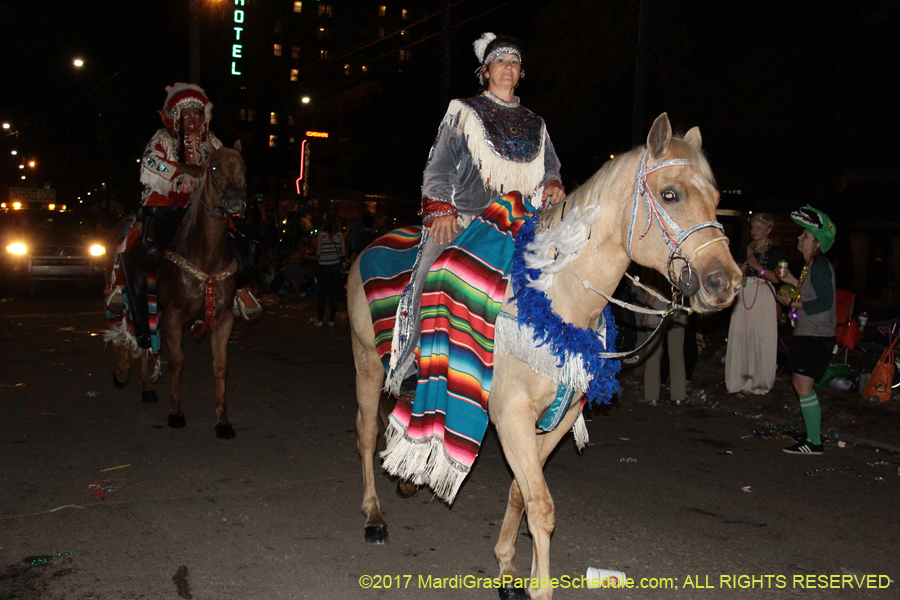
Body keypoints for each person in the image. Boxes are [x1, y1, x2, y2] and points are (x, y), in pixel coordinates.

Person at [375, 33, 566, 500]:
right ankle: (411, 370)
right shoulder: (462, 112)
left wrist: (557, 186)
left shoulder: (536, 125)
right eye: (499, 61)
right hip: (465, 221)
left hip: (521, 225)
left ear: (521, 73)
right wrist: (439, 209)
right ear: (485, 70)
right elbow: (437, 170)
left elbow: (553, 170)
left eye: (514, 62)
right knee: (434, 277)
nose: (507, 68)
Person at [105, 83, 261, 349]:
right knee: (148, 244)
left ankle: (240, 291)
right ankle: (121, 286)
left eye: (197, 113)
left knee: (237, 244)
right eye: (186, 113)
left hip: (203, 205)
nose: (192, 118)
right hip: (168, 202)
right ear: (177, 116)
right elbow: (150, 163)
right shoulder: (162, 138)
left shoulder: (212, 142)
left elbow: (226, 164)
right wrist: (183, 169)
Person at [775, 205, 837, 455]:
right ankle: (812, 435)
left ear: (815, 241)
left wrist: (793, 303)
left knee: (802, 385)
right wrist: (791, 281)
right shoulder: (811, 266)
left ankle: (814, 442)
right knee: (800, 383)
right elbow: (812, 291)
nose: (800, 238)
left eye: (805, 236)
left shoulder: (820, 265)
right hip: (810, 333)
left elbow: (825, 301)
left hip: (817, 334)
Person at [725, 213, 784, 397]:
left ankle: (759, 382)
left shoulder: (776, 252)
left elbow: (777, 279)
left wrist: (757, 266)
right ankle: (739, 381)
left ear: (768, 230)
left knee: (761, 337)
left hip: (764, 294)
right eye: (753, 228)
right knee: (741, 334)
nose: (754, 231)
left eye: (759, 228)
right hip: (744, 292)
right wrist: (744, 264)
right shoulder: (745, 249)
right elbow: (737, 273)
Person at [314, 213, 346, 327]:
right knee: (333, 294)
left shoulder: (321, 235)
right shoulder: (340, 236)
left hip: (323, 267)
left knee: (322, 294)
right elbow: (343, 253)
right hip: (334, 267)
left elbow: (318, 252)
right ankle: (331, 320)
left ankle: (320, 320)